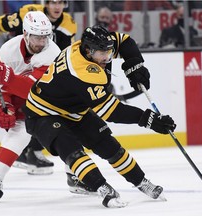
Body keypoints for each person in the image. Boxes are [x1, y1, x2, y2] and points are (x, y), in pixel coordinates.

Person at [21, 25, 176, 208]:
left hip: (73, 109)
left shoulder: (93, 48)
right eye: (103, 53)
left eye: (109, 51)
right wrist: (149, 119)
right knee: (72, 151)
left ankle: (142, 182)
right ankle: (102, 187)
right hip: (42, 113)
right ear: (88, 50)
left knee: (109, 146)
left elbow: (125, 41)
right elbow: (111, 111)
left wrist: (135, 64)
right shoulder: (82, 71)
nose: (108, 57)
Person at [0, 0, 77, 171]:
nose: (57, 6)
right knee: (23, 110)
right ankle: (28, 151)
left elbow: (70, 51)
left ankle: (34, 150)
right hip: (18, 66)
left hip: (47, 68)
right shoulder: (28, 13)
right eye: (53, 2)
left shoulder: (69, 23)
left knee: (54, 108)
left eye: (62, 2)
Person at [0, 11, 61, 203]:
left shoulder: (52, 53)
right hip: (23, 96)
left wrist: (6, 77)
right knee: (18, 133)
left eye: (45, 37)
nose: (42, 42)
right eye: (37, 37)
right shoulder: (8, 50)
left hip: (52, 102)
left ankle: (76, 176)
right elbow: (2, 88)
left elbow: (36, 90)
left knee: (69, 135)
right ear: (25, 34)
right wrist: (3, 107)